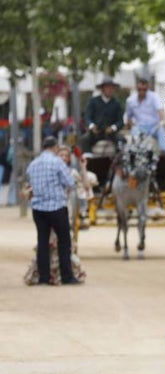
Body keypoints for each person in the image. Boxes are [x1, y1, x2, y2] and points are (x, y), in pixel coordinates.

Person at [25, 137, 82, 285]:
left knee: (42, 242)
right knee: (64, 242)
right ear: (55, 147)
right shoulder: (57, 162)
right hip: (56, 207)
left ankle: (43, 277)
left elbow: (30, 184)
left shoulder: (33, 164)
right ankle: (66, 276)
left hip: (38, 208)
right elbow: (69, 182)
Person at [123, 77, 165, 153]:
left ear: (147, 88)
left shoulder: (154, 97)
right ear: (136, 88)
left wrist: (161, 122)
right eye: (139, 89)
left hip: (154, 126)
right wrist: (132, 126)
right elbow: (129, 117)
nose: (141, 91)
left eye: (144, 90)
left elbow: (161, 111)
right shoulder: (130, 100)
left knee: (161, 133)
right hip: (139, 127)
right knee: (134, 138)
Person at [82, 78, 123, 152]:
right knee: (85, 139)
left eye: (112, 88)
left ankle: (118, 161)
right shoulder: (93, 101)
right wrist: (92, 126)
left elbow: (120, 121)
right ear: (102, 89)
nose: (110, 90)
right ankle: (88, 160)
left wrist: (113, 128)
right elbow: (87, 117)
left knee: (121, 140)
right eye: (108, 87)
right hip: (96, 132)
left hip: (111, 133)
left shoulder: (116, 103)